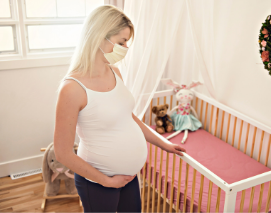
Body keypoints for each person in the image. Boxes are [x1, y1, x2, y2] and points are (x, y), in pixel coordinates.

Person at [53, 5, 186, 213]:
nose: (125, 48)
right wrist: (106, 181)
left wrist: (163, 143)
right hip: (98, 181)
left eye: (126, 42)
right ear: (99, 37)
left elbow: (128, 117)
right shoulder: (72, 88)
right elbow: (62, 153)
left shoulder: (114, 72)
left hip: (129, 176)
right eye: (121, 42)